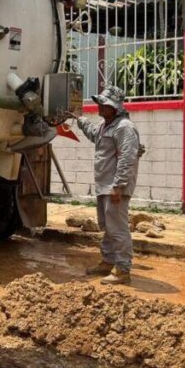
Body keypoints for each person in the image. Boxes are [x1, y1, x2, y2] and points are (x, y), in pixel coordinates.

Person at [67, 85, 141, 286]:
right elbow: (93, 133)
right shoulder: (105, 126)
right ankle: (108, 261)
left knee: (117, 228)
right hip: (104, 185)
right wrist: (79, 119)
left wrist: (119, 185)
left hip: (114, 186)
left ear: (115, 107)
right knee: (108, 226)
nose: (100, 106)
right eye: (99, 102)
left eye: (104, 104)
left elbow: (127, 157)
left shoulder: (124, 127)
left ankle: (122, 270)